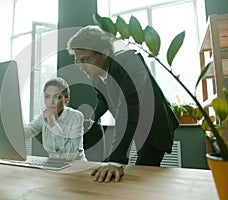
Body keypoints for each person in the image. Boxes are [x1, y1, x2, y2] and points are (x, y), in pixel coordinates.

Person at [67, 25, 179, 182]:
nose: (81, 68)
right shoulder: (97, 77)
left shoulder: (129, 61)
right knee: (138, 175)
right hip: (138, 127)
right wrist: (93, 118)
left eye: (86, 60)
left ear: (105, 53)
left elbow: (128, 106)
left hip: (155, 127)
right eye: (78, 61)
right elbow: (103, 100)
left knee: (142, 177)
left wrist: (115, 160)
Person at [24, 77, 87, 161]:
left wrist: (53, 123)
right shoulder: (43, 117)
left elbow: (70, 156)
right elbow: (26, 132)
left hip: (76, 167)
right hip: (54, 166)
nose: (51, 102)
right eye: (47, 97)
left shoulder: (76, 117)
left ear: (66, 100)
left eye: (56, 97)